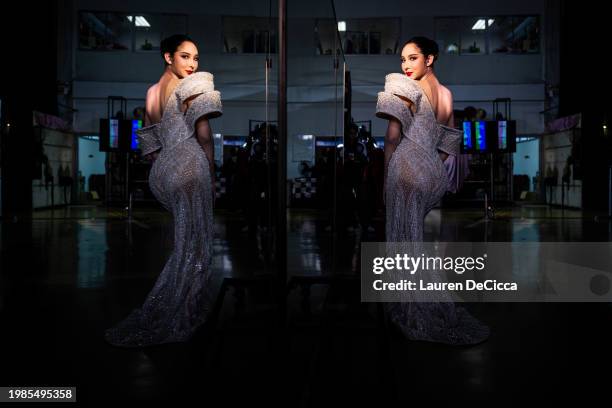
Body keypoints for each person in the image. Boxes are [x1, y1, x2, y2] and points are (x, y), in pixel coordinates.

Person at [105, 34, 222, 347]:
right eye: (185, 56)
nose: (193, 64)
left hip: (162, 172)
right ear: (168, 57)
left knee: (185, 243)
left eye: (196, 58)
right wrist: (211, 171)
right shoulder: (192, 84)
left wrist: (168, 162)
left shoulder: (151, 92)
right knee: (197, 245)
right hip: (189, 165)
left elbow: (149, 146)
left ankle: (176, 309)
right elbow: (205, 134)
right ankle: (185, 317)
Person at [376, 36, 489, 345]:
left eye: (413, 58)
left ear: (430, 59)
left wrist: (391, 175)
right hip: (433, 176)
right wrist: (427, 163)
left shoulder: (406, 89)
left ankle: (413, 310)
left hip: (407, 172)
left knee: (403, 244)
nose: (405, 65)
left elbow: (390, 138)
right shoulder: (448, 95)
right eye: (402, 60)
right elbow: (450, 144)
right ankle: (422, 302)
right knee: (414, 244)